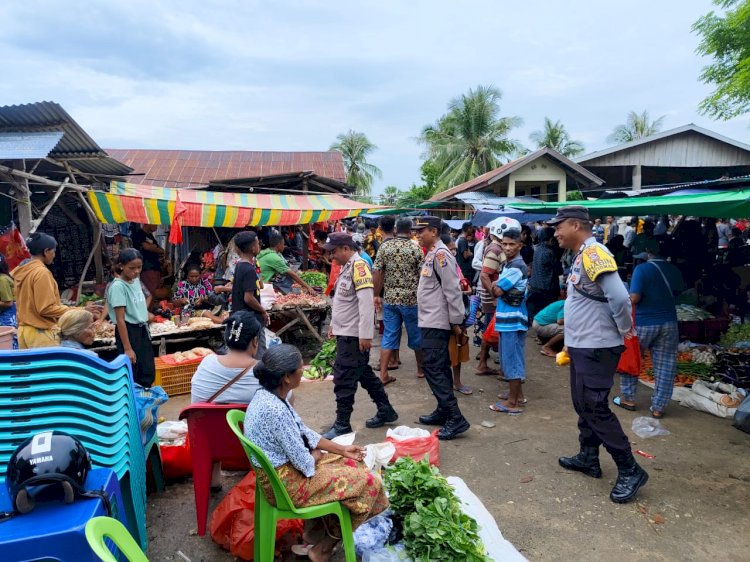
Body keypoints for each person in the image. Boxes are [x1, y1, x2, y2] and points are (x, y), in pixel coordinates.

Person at [245, 344, 388, 561]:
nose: (304, 370)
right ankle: (322, 548)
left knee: (353, 462)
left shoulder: (269, 395)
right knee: (370, 483)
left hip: (281, 473)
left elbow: (302, 430)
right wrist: (315, 455)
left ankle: (314, 535)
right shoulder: (274, 410)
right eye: (300, 368)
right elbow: (305, 464)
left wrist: (342, 449)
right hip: (286, 485)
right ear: (286, 377)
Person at [549, 205, 648, 504]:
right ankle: (588, 456)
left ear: (576, 225)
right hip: (583, 344)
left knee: (594, 405)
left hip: (598, 345)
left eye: (559, 226)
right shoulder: (581, 256)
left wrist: (623, 328)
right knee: (583, 402)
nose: (556, 232)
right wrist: (569, 341)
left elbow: (619, 297)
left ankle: (630, 469)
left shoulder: (595, 254)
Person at [321, 232, 398, 439]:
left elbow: (365, 303)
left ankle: (342, 424)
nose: (332, 257)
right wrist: (334, 326)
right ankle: (386, 409)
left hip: (354, 336)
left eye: (334, 252)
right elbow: (344, 303)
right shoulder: (347, 266)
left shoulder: (359, 267)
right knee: (363, 372)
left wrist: (365, 335)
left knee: (344, 379)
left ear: (346, 249)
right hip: (346, 331)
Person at [413, 217, 470, 440]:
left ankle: (456, 418)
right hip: (429, 319)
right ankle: (443, 410)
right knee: (438, 366)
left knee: (434, 367)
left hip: (437, 320)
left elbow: (452, 290)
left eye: (422, 230)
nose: (417, 234)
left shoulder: (440, 254)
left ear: (434, 231)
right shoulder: (432, 252)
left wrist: (457, 322)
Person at [614, 249, 685, 418]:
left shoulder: (642, 269)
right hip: (669, 322)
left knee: (632, 358)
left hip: (644, 322)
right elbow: (680, 293)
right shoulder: (674, 269)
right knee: (666, 364)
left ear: (648, 252)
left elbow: (635, 297)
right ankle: (659, 407)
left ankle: (628, 399)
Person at [12, 232, 91, 349]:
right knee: (49, 367)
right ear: (46, 251)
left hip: (24, 332)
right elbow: (46, 308)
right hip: (40, 332)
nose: (54, 255)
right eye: (53, 251)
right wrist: (78, 310)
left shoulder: (22, 270)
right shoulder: (41, 272)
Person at [373, 218, 425, 385]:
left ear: (396, 230)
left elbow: (377, 272)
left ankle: (383, 374)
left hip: (390, 299)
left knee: (389, 335)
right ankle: (420, 369)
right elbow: (422, 274)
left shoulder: (385, 246)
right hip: (411, 300)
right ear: (410, 231)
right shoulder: (415, 248)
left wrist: (376, 294)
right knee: (416, 334)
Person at [489, 228, 529, 414]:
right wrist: (498, 286)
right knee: (511, 357)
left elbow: (497, 291)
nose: (507, 247)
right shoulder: (511, 265)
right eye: (504, 244)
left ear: (520, 245)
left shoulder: (515, 267)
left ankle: (513, 402)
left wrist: (495, 285)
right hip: (510, 317)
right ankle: (517, 395)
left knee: (511, 359)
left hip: (512, 318)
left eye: (511, 244)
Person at [191, 311, 263, 404]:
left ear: (226, 337)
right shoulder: (265, 373)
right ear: (255, 341)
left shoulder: (206, 363)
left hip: (204, 418)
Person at [107, 249, 155, 387]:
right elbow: (120, 319)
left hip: (142, 329)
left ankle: (143, 399)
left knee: (147, 369)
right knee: (135, 372)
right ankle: (135, 402)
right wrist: (128, 348)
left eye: (139, 267)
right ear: (121, 266)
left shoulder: (135, 281)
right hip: (129, 330)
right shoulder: (118, 287)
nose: (136, 271)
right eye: (132, 268)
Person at [476, 218, 517, 376]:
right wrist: (494, 295)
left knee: (491, 330)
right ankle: (483, 364)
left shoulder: (496, 247)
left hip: (495, 295)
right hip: (493, 297)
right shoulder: (495, 249)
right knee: (492, 330)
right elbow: (485, 275)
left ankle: (484, 362)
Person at [442, 235, 472, 395]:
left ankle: (457, 382)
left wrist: (465, 290)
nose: (454, 251)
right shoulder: (441, 264)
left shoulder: (455, 265)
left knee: (458, 349)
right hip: (447, 316)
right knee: (446, 351)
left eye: (454, 249)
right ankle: (447, 384)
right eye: (451, 248)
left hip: (459, 313)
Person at [231, 231, 268, 358]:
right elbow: (248, 298)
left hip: (241, 317)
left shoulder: (240, 266)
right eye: (258, 243)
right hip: (252, 319)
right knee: (259, 355)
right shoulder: (248, 269)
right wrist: (263, 311)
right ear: (253, 248)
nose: (259, 246)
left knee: (244, 354)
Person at [526, 227, 562, 322]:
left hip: (534, 288)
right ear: (551, 240)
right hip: (546, 290)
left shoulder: (537, 249)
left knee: (536, 315)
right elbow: (558, 270)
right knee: (545, 317)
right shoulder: (549, 252)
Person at [130, 224, 164, 298]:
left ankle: (151, 309)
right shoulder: (139, 234)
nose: (157, 227)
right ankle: (148, 309)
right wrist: (153, 247)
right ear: (149, 223)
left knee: (155, 291)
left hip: (155, 267)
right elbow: (147, 247)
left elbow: (161, 250)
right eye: (156, 224)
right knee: (150, 292)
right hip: (147, 267)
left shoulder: (150, 236)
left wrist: (153, 248)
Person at [0, 253, 17, 349]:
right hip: (7, 313)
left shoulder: (2, 280)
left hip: (8, 315)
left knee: (8, 339)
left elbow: (8, 302)